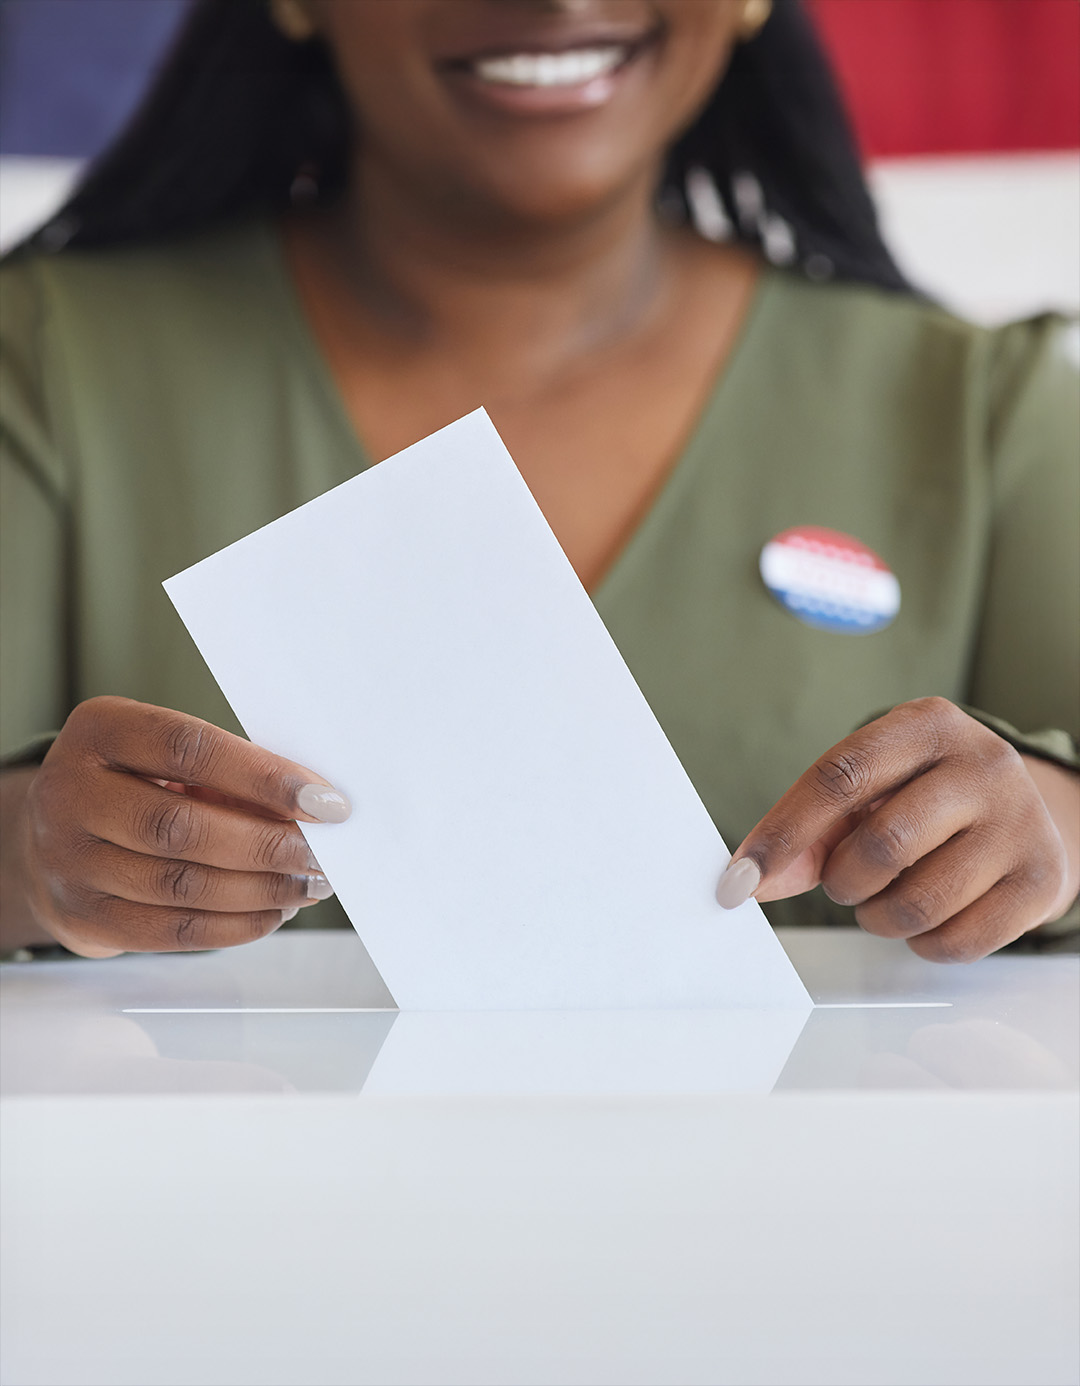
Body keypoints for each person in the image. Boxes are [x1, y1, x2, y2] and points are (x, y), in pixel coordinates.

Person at [1, 0, 1076, 963]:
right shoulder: (46, 363)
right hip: (188, 1189)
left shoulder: (980, 407)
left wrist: (1051, 832)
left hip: (823, 1190)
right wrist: (27, 859)